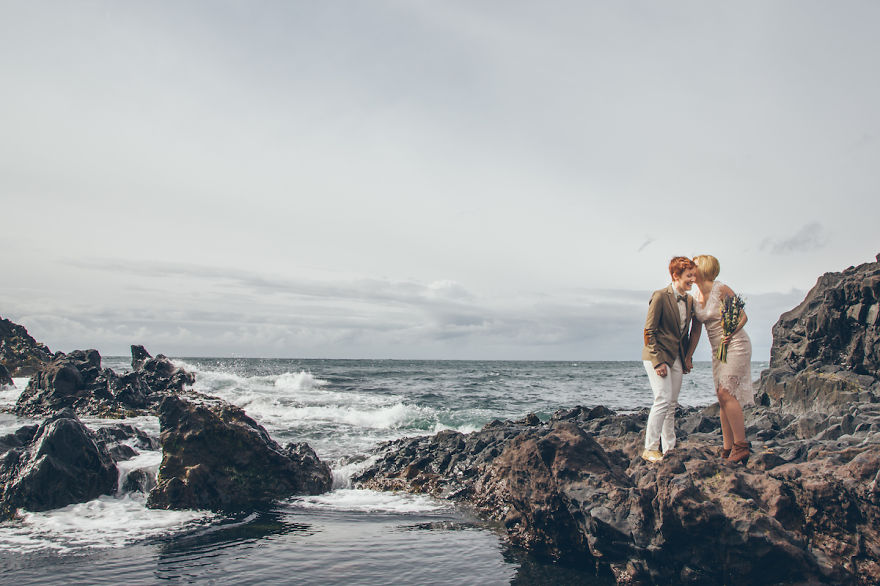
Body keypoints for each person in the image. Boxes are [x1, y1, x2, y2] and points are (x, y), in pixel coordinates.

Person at [692, 254, 754, 465]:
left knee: (726, 393)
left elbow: (742, 316)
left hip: (735, 343)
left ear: (704, 268)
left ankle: (741, 446)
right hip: (717, 351)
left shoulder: (721, 289)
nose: (691, 269)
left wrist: (730, 332)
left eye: (694, 265)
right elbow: (696, 331)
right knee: (722, 397)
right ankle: (727, 448)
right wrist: (688, 356)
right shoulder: (695, 297)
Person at [640, 256, 702, 463]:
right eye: (689, 276)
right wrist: (658, 362)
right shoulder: (660, 296)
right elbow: (649, 331)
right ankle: (650, 448)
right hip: (656, 355)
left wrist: (687, 357)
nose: (693, 279)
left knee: (672, 404)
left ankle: (669, 449)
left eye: (694, 275)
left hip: (676, 357)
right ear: (676, 275)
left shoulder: (690, 300)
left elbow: (690, 332)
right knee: (663, 398)